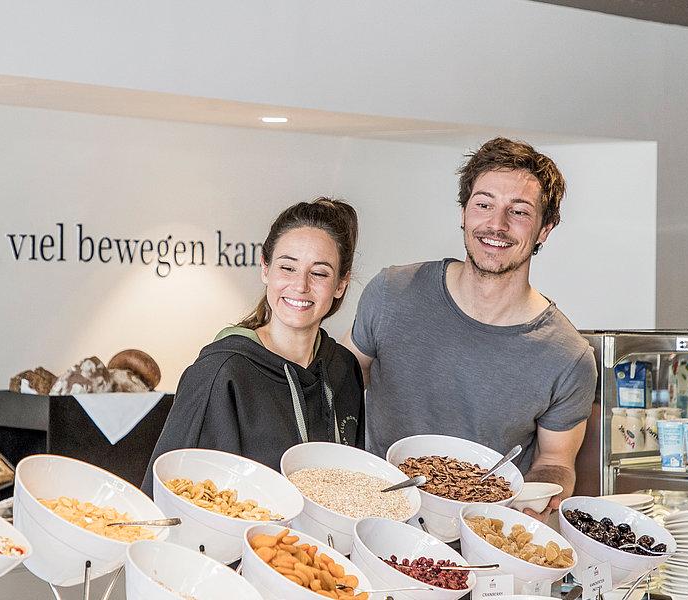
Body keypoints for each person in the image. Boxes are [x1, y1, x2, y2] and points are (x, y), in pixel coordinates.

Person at [345, 137, 596, 520]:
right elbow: (342, 380)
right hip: (378, 518)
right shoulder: (392, 293)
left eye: (519, 212)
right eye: (483, 205)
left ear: (545, 228)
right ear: (464, 212)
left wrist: (538, 498)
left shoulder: (567, 355)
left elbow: (555, 459)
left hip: (484, 537)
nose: (496, 225)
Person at [143, 198, 364, 493]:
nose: (301, 285)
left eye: (320, 273)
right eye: (287, 268)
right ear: (265, 269)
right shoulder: (220, 373)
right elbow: (167, 492)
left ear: (341, 284)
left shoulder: (344, 369)